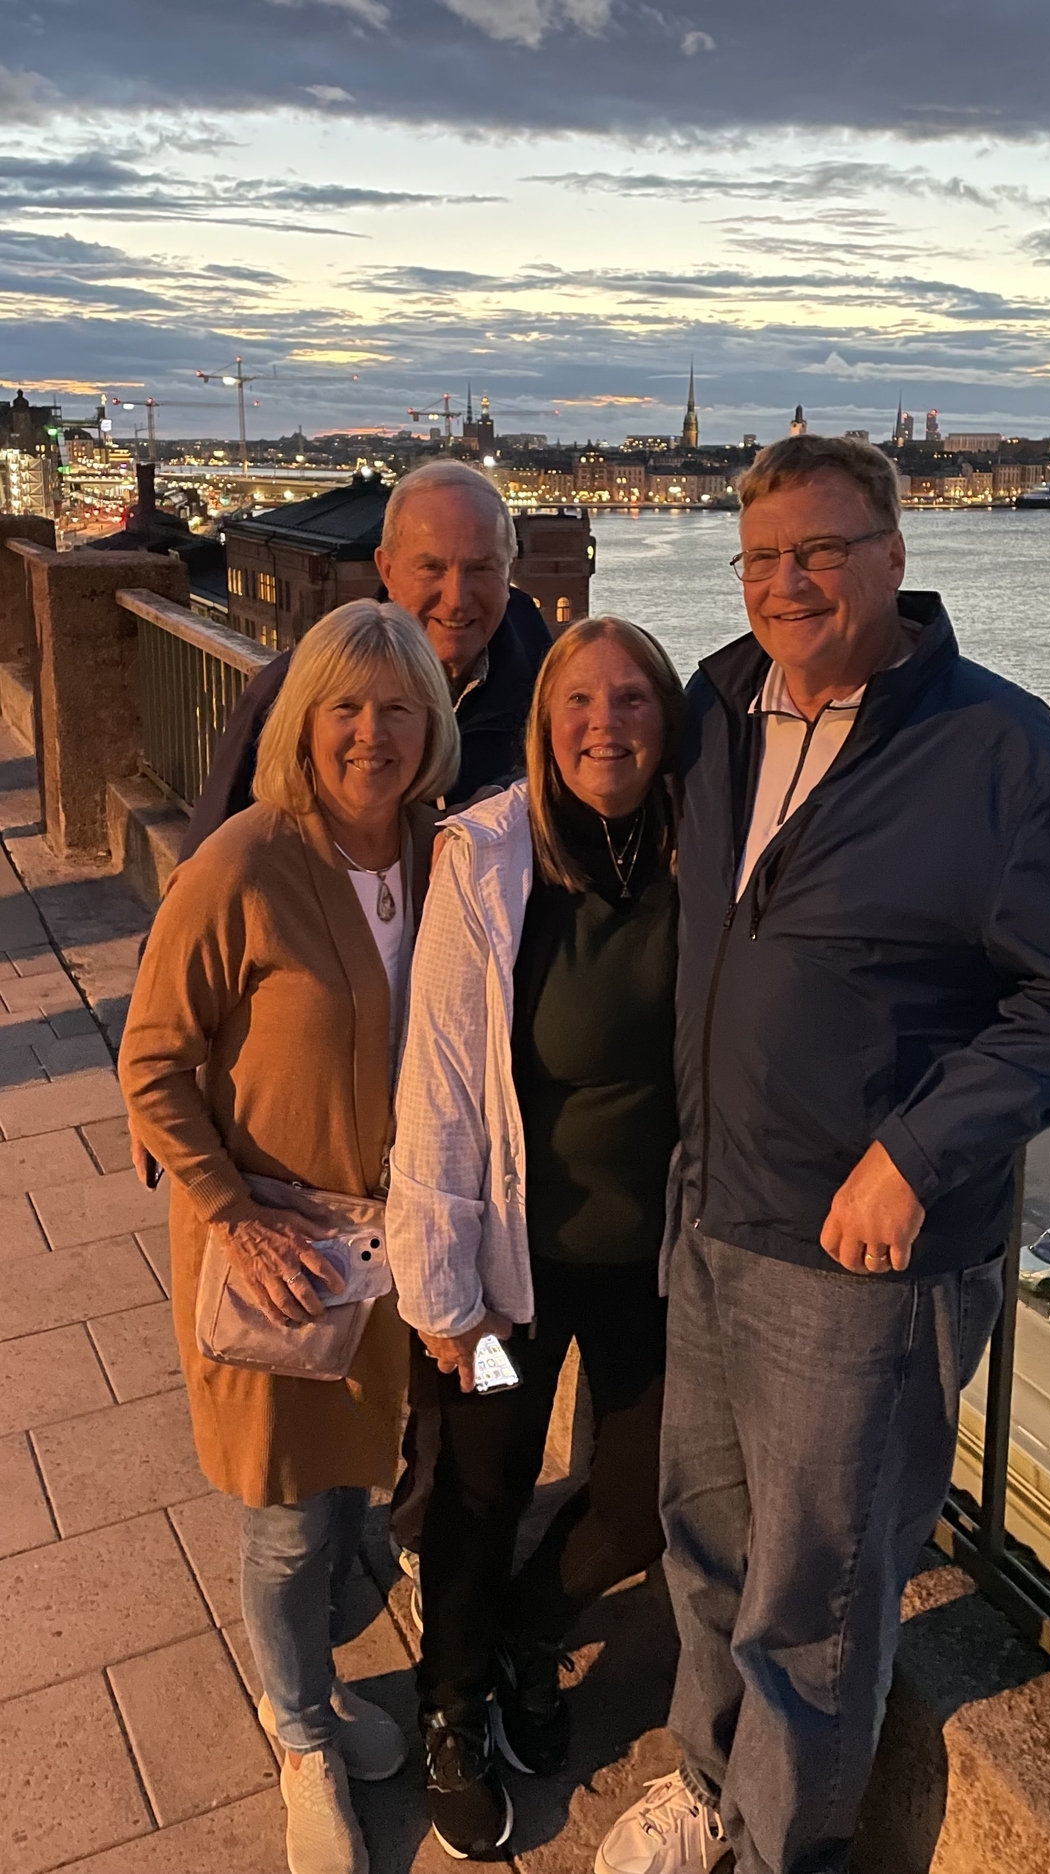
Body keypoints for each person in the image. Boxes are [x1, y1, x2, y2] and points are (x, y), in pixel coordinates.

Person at [595, 435, 1050, 1874]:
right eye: (761, 557)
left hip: (861, 1261)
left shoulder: (1000, 752)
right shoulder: (721, 705)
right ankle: (707, 1788)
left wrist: (915, 1151)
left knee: (819, 1601)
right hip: (715, 1208)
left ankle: (783, 1846)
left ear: (896, 559)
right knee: (706, 1543)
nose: (788, 582)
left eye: (821, 551)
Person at [119, 601, 460, 1874]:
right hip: (271, 1251)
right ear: (304, 724)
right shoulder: (245, 863)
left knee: (355, 1484)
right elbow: (151, 1060)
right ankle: (303, 1734)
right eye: (345, 708)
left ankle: (309, 1686)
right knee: (284, 1520)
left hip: (385, 1252)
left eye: (398, 708)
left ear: (432, 725)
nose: (372, 733)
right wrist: (231, 1211)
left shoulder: (442, 853)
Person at [385, 616, 684, 1861]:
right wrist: (446, 1296)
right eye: (578, 700)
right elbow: (441, 1080)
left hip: (651, 1270)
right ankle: (451, 1708)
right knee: (483, 1475)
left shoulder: (705, 850)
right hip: (514, 1274)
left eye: (633, 698)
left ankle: (526, 1627)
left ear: (669, 721)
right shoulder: (492, 858)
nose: (605, 723)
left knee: (646, 1495)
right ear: (545, 723)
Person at [181, 458, 552, 856]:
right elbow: (207, 863)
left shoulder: (545, 674)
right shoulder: (298, 688)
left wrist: (509, 799)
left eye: (481, 568)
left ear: (509, 569)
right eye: (431, 567)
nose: (457, 598)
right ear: (387, 571)